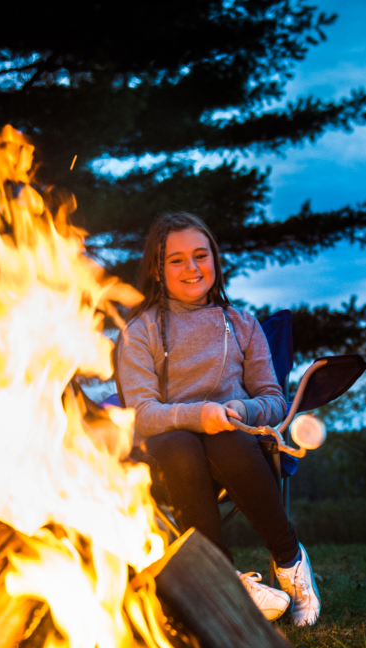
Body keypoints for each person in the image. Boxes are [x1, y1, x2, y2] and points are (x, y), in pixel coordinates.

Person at [116, 211, 321, 626]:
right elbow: (140, 413)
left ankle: (290, 563)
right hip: (170, 453)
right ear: (157, 269)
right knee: (180, 444)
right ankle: (223, 580)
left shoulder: (242, 323)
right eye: (176, 260)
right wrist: (198, 414)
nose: (191, 268)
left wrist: (238, 410)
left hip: (237, 444)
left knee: (225, 440)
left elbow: (273, 399)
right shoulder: (140, 331)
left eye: (200, 255)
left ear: (215, 259)